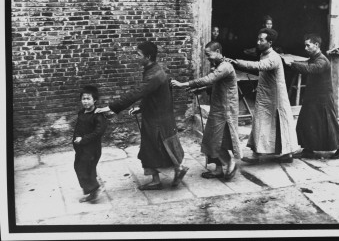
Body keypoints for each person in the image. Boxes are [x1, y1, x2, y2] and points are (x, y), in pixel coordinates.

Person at [95, 41, 188, 190]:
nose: (136, 57)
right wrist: (141, 108)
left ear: (148, 56)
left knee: (158, 148)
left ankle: (177, 169)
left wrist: (111, 107)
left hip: (157, 120)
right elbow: (152, 95)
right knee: (151, 148)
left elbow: (137, 92)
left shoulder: (154, 75)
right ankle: (161, 177)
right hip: (156, 116)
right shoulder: (152, 70)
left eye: (138, 55)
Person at [227, 28, 299, 163]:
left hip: (276, 97)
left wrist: (237, 62)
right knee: (262, 122)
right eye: (258, 39)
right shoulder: (264, 53)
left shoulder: (273, 57)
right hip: (266, 95)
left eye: (261, 40)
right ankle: (261, 152)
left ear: (270, 42)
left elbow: (259, 66)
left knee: (279, 123)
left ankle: (280, 154)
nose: (258, 42)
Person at [171, 41, 240, 180]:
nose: (207, 57)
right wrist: (197, 89)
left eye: (209, 54)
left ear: (218, 51)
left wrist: (184, 83)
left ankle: (230, 162)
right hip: (218, 108)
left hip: (225, 110)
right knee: (211, 139)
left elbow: (210, 79)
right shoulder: (219, 65)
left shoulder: (225, 66)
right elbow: (214, 84)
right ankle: (219, 169)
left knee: (215, 139)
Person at [283, 34, 339, 159]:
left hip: (323, 98)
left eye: (308, 45)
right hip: (313, 96)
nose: (306, 48)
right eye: (305, 45)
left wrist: (292, 64)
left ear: (316, 45)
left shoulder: (322, 60)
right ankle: (308, 149)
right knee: (306, 122)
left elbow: (310, 69)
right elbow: (307, 64)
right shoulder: (314, 58)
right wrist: (293, 62)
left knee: (329, 123)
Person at [73, 85, 108, 203]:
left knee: (87, 168)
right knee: (79, 167)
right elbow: (78, 128)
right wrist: (77, 139)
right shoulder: (81, 113)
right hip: (81, 148)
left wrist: (83, 139)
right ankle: (92, 191)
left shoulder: (98, 115)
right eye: (83, 99)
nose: (85, 101)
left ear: (95, 100)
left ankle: (95, 189)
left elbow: (98, 132)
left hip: (92, 148)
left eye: (88, 99)